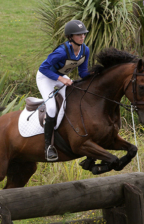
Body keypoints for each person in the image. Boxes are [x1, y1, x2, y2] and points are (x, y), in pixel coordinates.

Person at [37, 20, 90, 161]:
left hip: (60, 77)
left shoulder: (85, 50)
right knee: (52, 108)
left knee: (73, 99)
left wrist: (96, 76)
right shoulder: (61, 52)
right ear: (70, 37)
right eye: (78, 35)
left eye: (83, 34)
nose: (82, 37)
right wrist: (61, 79)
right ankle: (48, 147)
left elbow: (83, 72)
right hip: (45, 77)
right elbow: (43, 69)